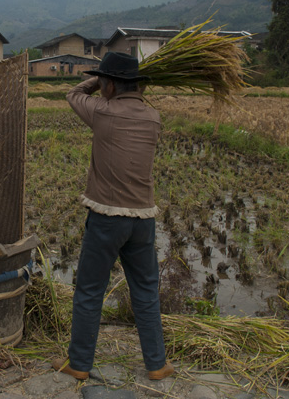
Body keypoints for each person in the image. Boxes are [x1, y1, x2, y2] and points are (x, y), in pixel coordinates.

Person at [52, 52, 174, 381]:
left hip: (107, 218)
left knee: (90, 290)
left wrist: (98, 78)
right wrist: (112, 79)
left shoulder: (103, 112)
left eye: (105, 81)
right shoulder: (153, 116)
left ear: (109, 85)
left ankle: (78, 363)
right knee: (146, 290)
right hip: (143, 220)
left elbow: (74, 94)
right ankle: (157, 364)